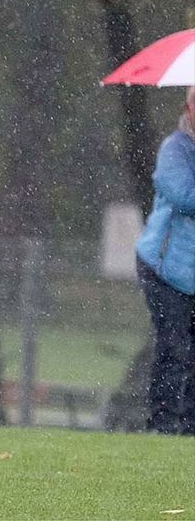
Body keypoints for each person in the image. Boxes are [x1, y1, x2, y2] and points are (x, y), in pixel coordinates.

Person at [135, 85, 195, 436]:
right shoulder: (175, 149)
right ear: (188, 108)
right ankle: (162, 424)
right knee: (175, 349)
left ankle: (188, 427)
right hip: (164, 269)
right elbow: (185, 196)